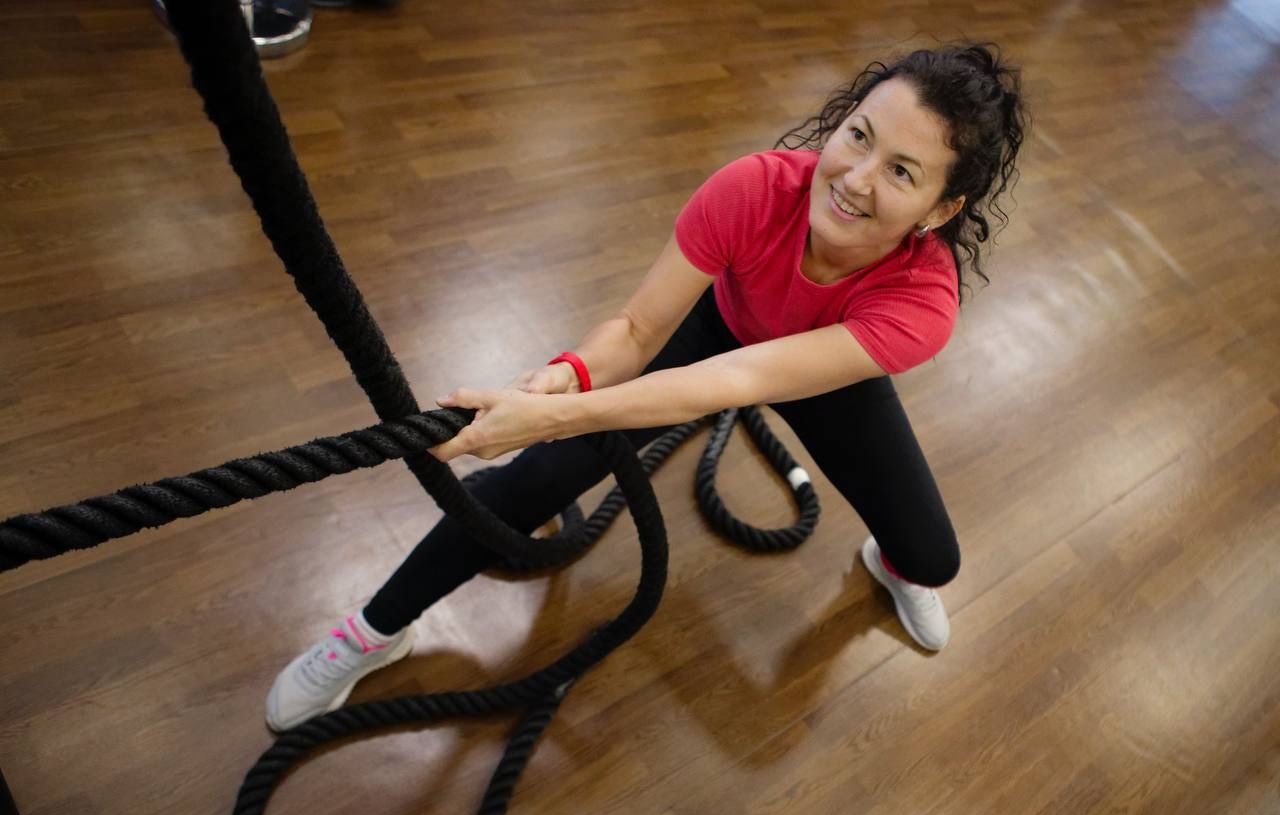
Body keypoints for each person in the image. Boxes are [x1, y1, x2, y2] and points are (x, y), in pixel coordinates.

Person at [265, 43, 1029, 731]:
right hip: (723, 325)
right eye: (859, 135)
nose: (856, 179)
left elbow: (736, 382)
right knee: (534, 477)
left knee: (932, 557)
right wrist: (565, 378)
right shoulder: (754, 188)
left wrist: (550, 417)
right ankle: (372, 631)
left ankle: (889, 564)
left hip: (826, 369)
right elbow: (635, 331)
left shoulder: (923, 305)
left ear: (941, 209)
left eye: (902, 172)